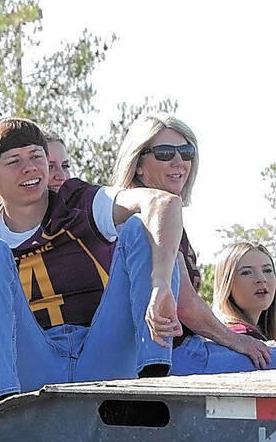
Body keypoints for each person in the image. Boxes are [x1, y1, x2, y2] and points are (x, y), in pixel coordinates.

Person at [0, 117, 185, 401]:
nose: (30, 168)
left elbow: (164, 203)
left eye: (37, 157)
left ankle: (151, 383)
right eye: (14, 161)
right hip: (31, 364)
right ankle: (4, 402)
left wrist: (161, 284)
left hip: (101, 354)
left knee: (141, 225)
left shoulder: (78, 201)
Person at [110, 114, 269, 375]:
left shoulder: (158, 214)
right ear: (138, 164)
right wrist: (237, 340)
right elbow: (185, 304)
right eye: (164, 152)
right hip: (168, 356)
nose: (179, 161)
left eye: (186, 151)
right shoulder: (144, 218)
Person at [213, 241, 276, 341]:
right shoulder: (240, 338)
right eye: (246, 272)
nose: (261, 278)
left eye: (267, 270)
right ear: (227, 284)